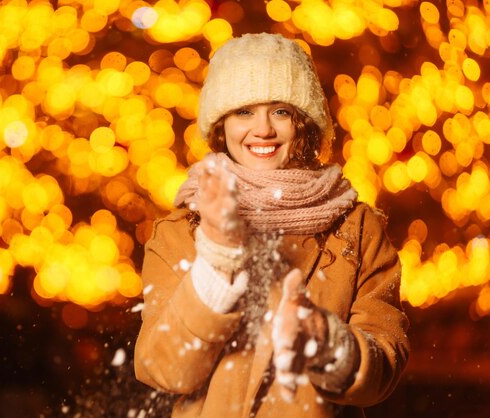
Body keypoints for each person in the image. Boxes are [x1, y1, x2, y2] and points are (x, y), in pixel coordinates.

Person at [134, 33, 409, 418]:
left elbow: (383, 368)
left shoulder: (356, 228)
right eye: (243, 111)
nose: (262, 129)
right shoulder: (182, 230)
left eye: (280, 110)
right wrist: (216, 261)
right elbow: (165, 370)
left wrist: (325, 342)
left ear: (304, 121)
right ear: (220, 124)